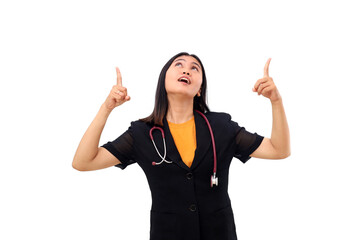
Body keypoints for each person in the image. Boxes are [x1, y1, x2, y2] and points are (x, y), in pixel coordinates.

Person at [72, 52, 290, 240]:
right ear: (163, 80)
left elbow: (279, 150)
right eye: (179, 65)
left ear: (199, 89)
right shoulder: (141, 134)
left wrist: (276, 101)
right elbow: (83, 162)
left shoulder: (221, 127)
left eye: (194, 68)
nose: (186, 70)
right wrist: (106, 108)